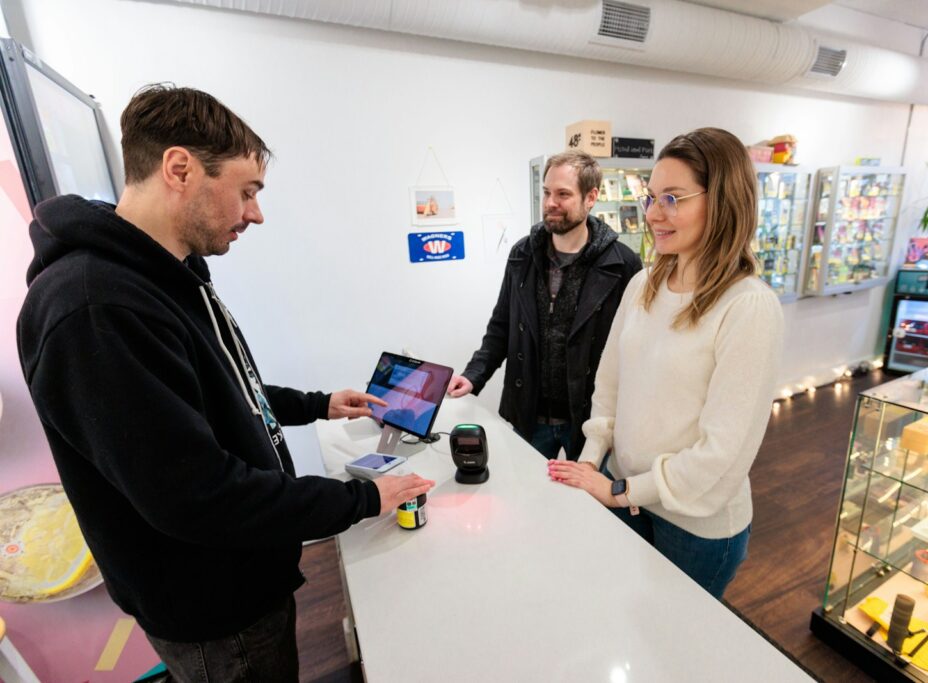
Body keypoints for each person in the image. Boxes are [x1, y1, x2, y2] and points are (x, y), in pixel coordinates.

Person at [16, 84, 434, 682]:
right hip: (214, 611)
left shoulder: (165, 275)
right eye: (247, 191)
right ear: (180, 168)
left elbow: (218, 393)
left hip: (243, 579)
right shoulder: (96, 308)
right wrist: (363, 499)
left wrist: (316, 405)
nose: (255, 213)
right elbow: (198, 496)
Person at [548, 128, 783, 599]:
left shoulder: (747, 307)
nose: (654, 214)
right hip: (626, 498)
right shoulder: (644, 284)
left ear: (722, 203)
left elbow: (723, 454)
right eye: (652, 197)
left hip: (693, 528)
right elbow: (610, 385)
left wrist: (617, 491)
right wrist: (591, 463)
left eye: (673, 198)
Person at [447, 151, 642, 460]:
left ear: (591, 197)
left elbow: (633, 348)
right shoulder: (522, 253)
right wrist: (474, 375)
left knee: (587, 505)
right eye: (547, 192)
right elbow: (501, 326)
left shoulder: (623, 264)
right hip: (530, 413)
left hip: (590, 418)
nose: (550, 202)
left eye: (563, 194)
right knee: (528, 497)